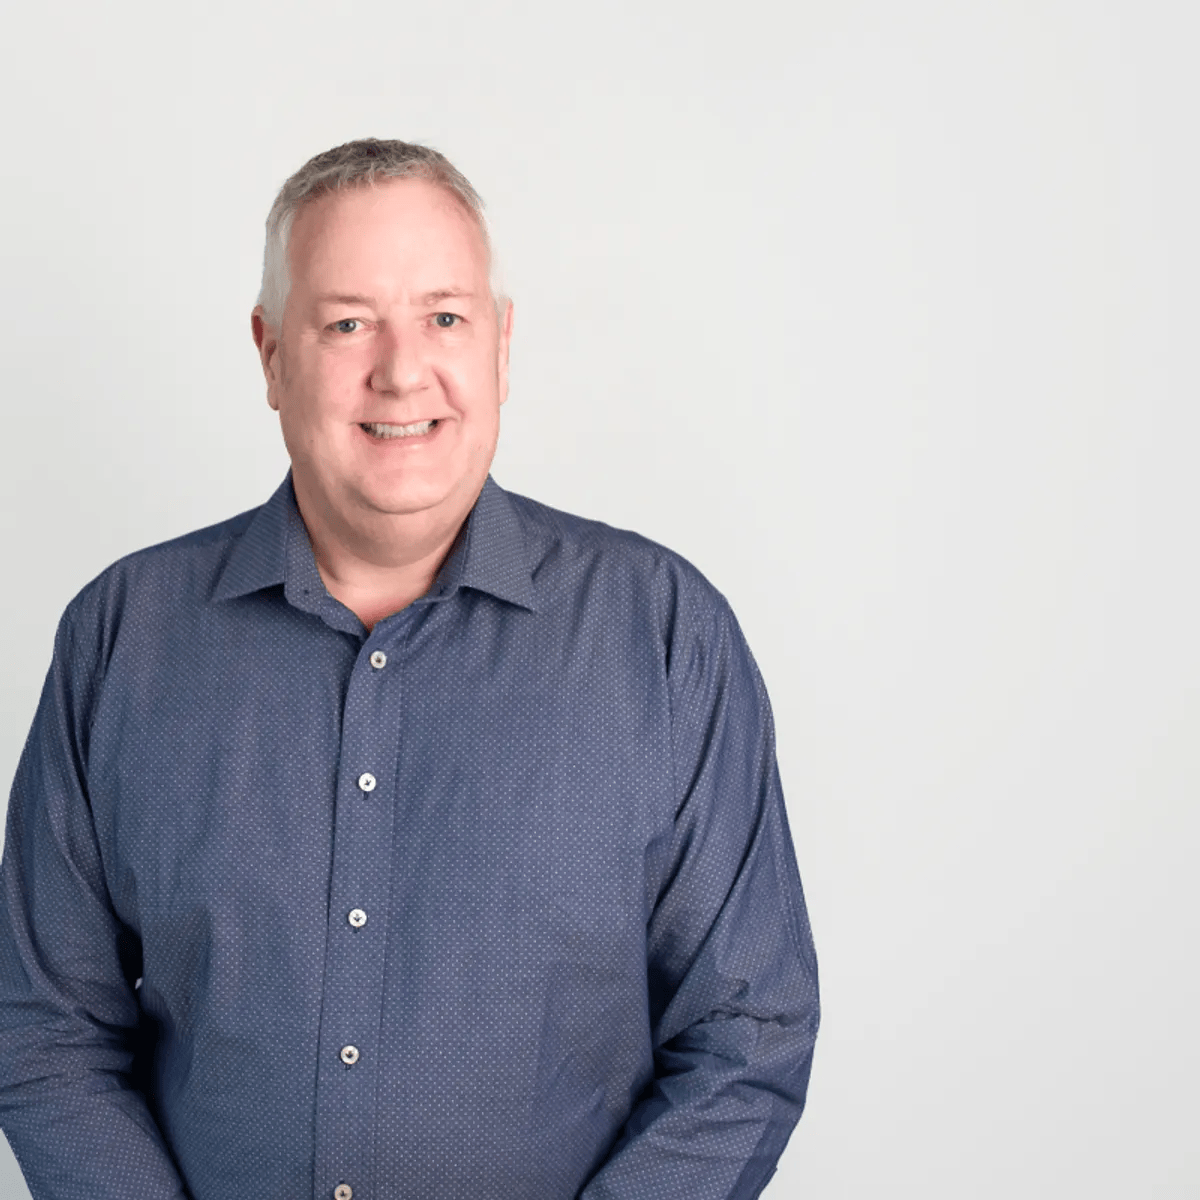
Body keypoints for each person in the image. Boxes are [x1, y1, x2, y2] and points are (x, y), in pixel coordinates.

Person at [0, 139, 819, 1200]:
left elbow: (748, 1031)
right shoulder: (122, 639)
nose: (400, 370)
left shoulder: (664, 635)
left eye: (444, 318)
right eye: (347, 323)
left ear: (501, 346)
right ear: (270, 355)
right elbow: (44, 1028)